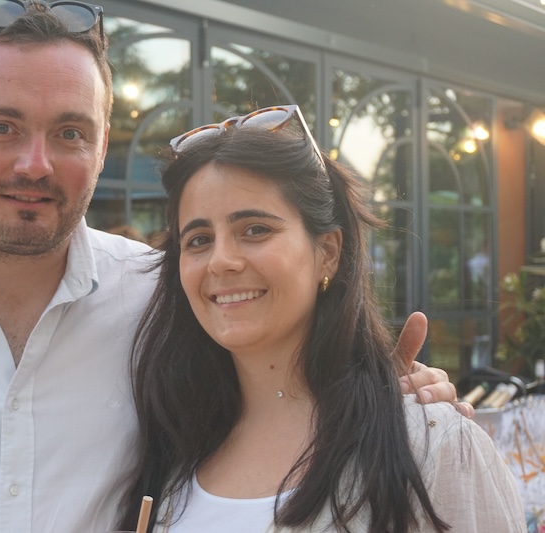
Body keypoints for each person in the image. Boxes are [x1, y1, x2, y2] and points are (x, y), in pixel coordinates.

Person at [0, 3, 464, 532]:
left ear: (101, 143)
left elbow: (280, 380)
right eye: (2, 127)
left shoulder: (165, 295)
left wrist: (397, 396)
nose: (35, 163)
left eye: (70, 132)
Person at [118, 107, 525, 532]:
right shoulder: (167, 446)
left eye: (255, 230)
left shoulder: (429, 448)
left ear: (328, 251)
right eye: (199, 239)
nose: (221, 261)